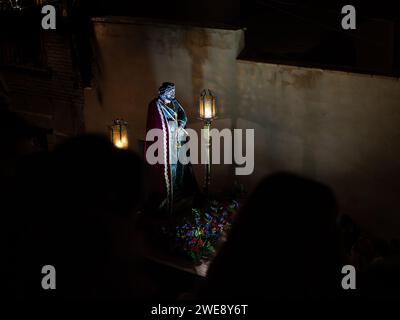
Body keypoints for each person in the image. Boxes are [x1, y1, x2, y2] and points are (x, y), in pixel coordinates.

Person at [144, 82, 197, 214]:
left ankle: (179, 192)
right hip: (165, 145)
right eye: (170, 92)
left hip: (178, 141)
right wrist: (173, 128)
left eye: (174, 92)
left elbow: (182, 116)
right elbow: (157, 125)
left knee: (181, 168)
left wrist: (180, 125)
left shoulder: (174, 103)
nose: (173, 94)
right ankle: (169, 196)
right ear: (162, 92)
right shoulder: (155, 105)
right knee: (170, 169)